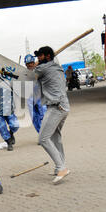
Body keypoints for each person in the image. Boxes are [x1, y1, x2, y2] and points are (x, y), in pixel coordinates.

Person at [34, 46, 71, 184]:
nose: (38, 58)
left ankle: (61, 168)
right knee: (56, 136)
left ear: (48, 56)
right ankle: (60, 167)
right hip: (64, 106)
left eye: (40, 56)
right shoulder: (57, 67)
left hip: (56, 107)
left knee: (43, 139)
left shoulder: (42, 68)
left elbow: (25, 77)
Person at [24, 54, 47, 133]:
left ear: (34, 63)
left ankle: (47, 134)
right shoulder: (24, 74)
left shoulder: (39, 71)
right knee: (34, 118)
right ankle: (41, 134)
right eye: (28, 64)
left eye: (31, 63)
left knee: (44, 115)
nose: (29, 65)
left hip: (40, 97)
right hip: (30, 99)